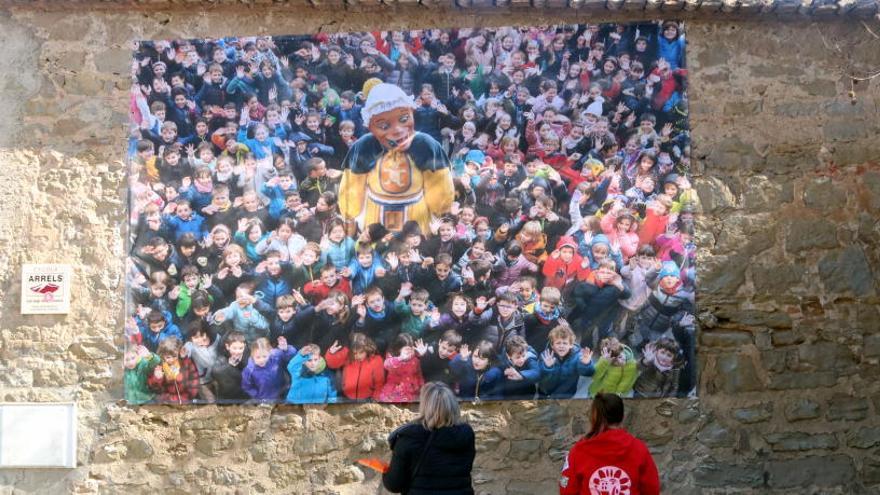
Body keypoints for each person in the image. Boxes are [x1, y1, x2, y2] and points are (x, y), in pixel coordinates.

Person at [383, 382, 475, 494]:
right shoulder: (466, 435)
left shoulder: (409, 437)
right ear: (453, 406)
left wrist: (385, 472)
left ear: (424, 406)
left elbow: (394, 485)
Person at [558, 393, 660, 495]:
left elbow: (567, 490)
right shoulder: (639, 449)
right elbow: (652, 489)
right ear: (621, 416)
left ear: (594, 416)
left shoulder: (578, 451)